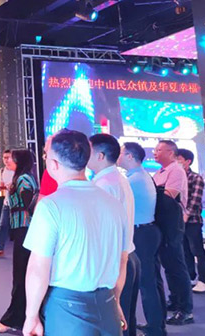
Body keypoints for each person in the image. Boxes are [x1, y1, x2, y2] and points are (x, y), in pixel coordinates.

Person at [22, 129, 129, 336]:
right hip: (107, 302)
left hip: (67, 306)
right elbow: (122, 259)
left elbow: (38, 268)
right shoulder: (113, 204)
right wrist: (115, 301)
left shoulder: (50, 206)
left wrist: (31, 315)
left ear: (53, 164)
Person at [88, 134, 138, 336]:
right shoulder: (116, 179)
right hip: (124, 256)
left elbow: (103, 230)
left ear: (100, 156)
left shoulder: (104, 184)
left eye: (88, 150)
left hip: (115, 262)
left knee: (114, 322)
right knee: (124, 320)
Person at [118, 142, 166, 336]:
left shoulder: (132, 181)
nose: (118, 156)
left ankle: (155, 328)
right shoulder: (141, 176)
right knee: (151, 281)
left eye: (121, 152)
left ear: (130, 156)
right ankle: (157, 324)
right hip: (148, 232)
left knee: (146, 284)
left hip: (142, 234)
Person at [0, 149, 38, 334]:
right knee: (22, 275)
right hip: (23, 229)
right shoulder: (24, 178)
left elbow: (29, 204)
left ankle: (13, 319)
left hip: (24, 230)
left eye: (13, 158)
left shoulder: (23, 179)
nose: (8, 161)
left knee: (21, 276)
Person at [153, 140, 194, 325]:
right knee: (169, 265)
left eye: (159, 149)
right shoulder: (160, 172)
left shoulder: (176, 170)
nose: (155, 152)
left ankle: (185, 310)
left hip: (172, 223)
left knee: (177, 266)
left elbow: (169, 196)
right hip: (162, 223)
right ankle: (175, 300)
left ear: (170, 152)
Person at [177, 149, 205, 294]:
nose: (176, 162)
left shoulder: (195, 178)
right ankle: (191, 277)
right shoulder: (177, 177)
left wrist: (186, 215)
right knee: (185, 251)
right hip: (179, 221)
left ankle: (204, 280)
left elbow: (195, 200)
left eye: (179, 159)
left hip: (193, 221)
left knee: (197, 250)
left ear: (188, 161)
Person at [0, 149, 15, 257]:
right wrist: (1, 187)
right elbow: (3, 185)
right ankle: (0, 249)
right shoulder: (2, 170)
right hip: (7, 202)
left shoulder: (17, 170)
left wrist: (6, 187)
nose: (6, 160)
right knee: (2, 225)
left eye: (8, 157)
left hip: (17, 203)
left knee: (20, 227)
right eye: (4, 157)